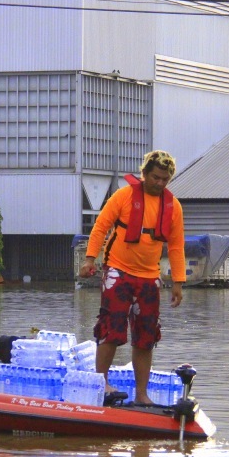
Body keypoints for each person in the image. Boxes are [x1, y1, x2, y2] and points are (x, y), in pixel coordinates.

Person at [78, 150, 186, 405]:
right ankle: (101, 382)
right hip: (117, 271)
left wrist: (178, 282)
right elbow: (101, 226)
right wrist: (90, 259)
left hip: (149, 277)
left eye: (165, 179)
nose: (160, 183)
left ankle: (141, 394)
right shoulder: (124, 196)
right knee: (111, 330)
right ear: (145, 174)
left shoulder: (173, 207)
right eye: (156, 177)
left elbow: (176, 246)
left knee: (146, 337)